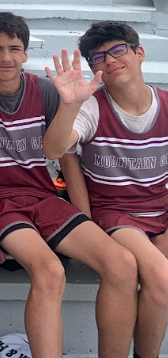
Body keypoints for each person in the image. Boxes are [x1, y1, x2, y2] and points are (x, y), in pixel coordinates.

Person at [0, 13, 138, 358]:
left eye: (14, 48)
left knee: (122, 264)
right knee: (50, 270)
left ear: (26, 54)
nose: (6, 57)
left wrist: (84, 217)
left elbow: (67, 157)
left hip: (41, 194)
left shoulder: (43, 90)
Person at [44, 21, 168, 358]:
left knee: (161, 285)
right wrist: (68, 105)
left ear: (139, 53)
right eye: (98, 57)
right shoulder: (91, 107)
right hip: (116, 214)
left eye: (118, 50)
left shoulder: (166, 104)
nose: (109, 60)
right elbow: (54, 150)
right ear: (92, 68)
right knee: (160, 277)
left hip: (161, 210)